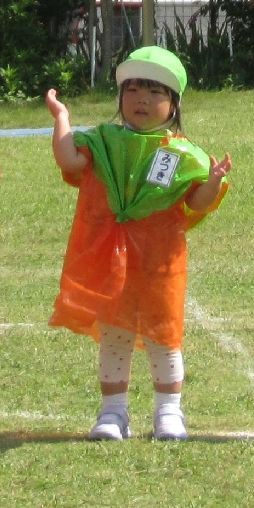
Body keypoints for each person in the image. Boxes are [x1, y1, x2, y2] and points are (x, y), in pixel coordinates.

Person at [44, 47, 232, 441]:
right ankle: (113, 413)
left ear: (174, 103)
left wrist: (212, 182)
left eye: (155, 92)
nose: (142, 100)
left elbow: (194, 202)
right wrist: (61, 120)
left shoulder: (181, 153)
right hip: (110, 262)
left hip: (160, 264)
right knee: (115, 336)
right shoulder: (103, 141)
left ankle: (169, 413)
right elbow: (70, 162)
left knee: (165, 336)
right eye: (133, 90)